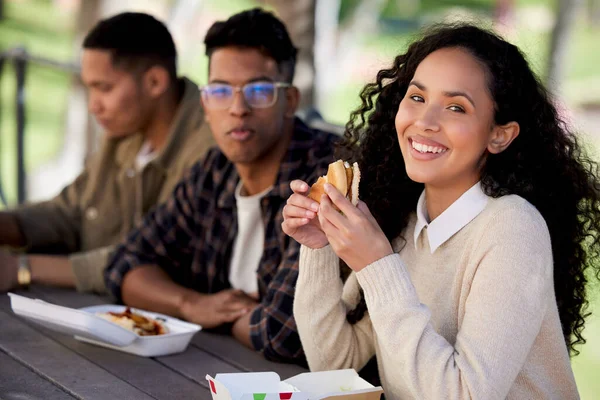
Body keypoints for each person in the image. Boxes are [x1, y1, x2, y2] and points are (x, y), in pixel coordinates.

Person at [283, 24, 600, 398]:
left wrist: (377, 265)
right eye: (416, 97)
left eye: (455, 107)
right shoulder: (408, 223)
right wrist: (320, 246)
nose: (425, 121)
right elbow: (335, 367)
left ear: (499, 135)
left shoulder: (513, 228)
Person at [103, 8, 339, 363]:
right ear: (205, 102)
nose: (237, 108)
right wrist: (192, 303)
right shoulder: (216, 170)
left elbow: (285, 333)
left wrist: (223, 316)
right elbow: (125, 263)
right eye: (221, 91)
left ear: (290, 101)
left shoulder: (322, 178)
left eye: (259, 91)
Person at [0, 12, 215, 293]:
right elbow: (71, 211)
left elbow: (153, 257)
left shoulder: (210, 146)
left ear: (154, 82)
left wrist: (23, 269)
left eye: (104, 88)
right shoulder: (125, 131)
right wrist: (7, 224)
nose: (93, 106)